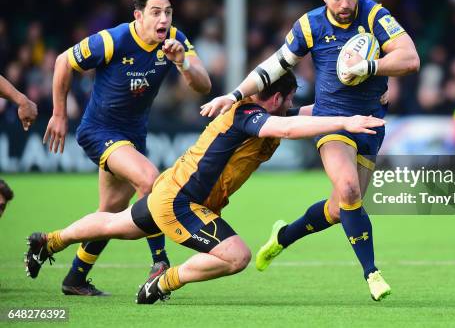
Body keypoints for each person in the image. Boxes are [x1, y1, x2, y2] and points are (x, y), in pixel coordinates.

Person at [24, 72, 385, 304]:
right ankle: (162, 283)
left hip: (172, 189)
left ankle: (48, 241)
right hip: (183, 203)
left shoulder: (264, 111)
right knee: (236, 257)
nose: (291, 106)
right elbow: (288, 130)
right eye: (289, 99)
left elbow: (306, 115)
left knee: (113, 224)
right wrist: (347, 121)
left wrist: (361, 105)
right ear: (276, 99)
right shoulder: (248, 116)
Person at [201, 0, 420, 300]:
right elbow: (272, 67)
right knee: (348, 189)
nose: (345, 5)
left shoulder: (375, 15)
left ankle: (283, 237)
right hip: (330, 121)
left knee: (340, 207)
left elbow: (410, 59)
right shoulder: (310, 25)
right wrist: (233, 95)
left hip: (371, 122)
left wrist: (368, 66)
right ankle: (372, 273)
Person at [41, 0, 212, 296]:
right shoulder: (113, 40)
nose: (163, 20)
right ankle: (159, 261)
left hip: (133, 137)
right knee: (150, 180)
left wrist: (183, 63)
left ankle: (72, 274)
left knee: (109, 214)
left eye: (168, 13)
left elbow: (203, 85)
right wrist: (59, 114)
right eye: (156, 12)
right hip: (99, 132)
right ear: (139, 16)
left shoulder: (176, 40)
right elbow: (64, 61)